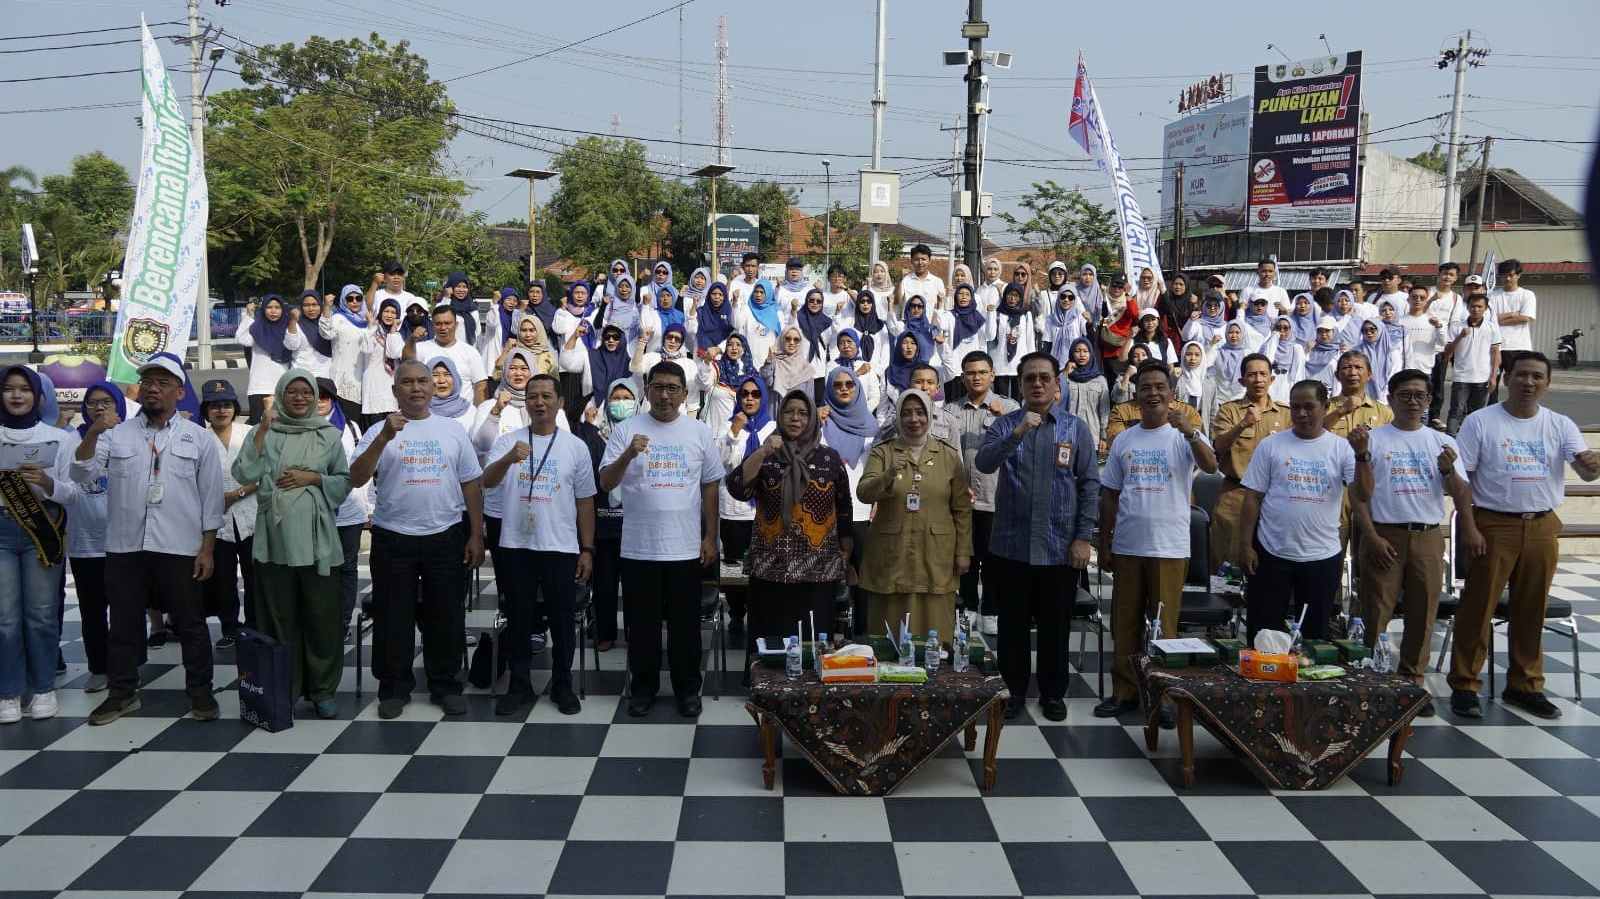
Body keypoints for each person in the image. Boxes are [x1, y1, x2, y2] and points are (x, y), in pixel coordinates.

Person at [73, 353, 224, 726]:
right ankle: (122, 693)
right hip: (125, 547)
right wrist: (93, 431)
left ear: (179, 391)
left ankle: (201, 692)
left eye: (162, 382)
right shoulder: (115, 434)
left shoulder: (199, 438)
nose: (153, 388)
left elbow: (211, 499)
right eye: (148, 382)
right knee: (123, 624)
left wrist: (207, 548)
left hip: (179, 546)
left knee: (190, 623)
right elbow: (82, 473)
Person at [1448, 353, 1600, 719]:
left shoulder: (1560, 424)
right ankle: (1466, 684)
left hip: (1542, 526)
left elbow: (1586, 473)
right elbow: (1461, 480)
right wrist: (1468, 526)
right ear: (1505, 378)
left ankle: (1525, 685)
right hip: (1493, 525)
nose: (1528, 383)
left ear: (1547, 384)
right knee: (1477, 607)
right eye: (1521, 375)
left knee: (1532, 608)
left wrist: (1590, 464)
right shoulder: (1481, 422)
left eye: (1536, 377)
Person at [351, 359, 486, 719]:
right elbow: (356, 477)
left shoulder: (452, 430)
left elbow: (471, 482)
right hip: (393, 537)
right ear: (395, 391)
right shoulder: (379, 429)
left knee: (447, 614)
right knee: (392, 615)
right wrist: (382, 438)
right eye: (407, 382)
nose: (416, 388)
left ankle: (446, 684)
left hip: (446, 535)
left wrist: (476, 533)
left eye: (422, 381)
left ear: (433, 387)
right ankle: (394, 687)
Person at [975, 352, 1098, 721]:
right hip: (1011, 547)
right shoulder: (1004, 424)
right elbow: (983, 464)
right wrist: (1019, 432)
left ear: (1057, 385)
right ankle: (1013, 691)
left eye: (1045, 377)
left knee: (1054, 626)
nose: (1038, 384)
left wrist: (1083, 538)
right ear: (1021, 385)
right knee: (1012, 626)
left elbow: (1090, 484)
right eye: (1030, 378)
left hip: (1059, 547)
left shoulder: (1075, 429)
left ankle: (1052, 693)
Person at [599, 361, 723, 718]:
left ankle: (687, 690)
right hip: (639, 548)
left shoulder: (699, 432)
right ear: (647, 391)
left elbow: (711, 485)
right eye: (658, 387)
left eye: (672, 388)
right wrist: (629, 454)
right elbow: (606, 483)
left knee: (685, 626)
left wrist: (710, 536)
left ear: (684, 394)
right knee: (642, 626)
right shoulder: (627, 430)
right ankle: (643, 689)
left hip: (685, 547)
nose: (665, 395)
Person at [1096, 360, 1218, 720]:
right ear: (1136, 394)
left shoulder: (1184, 435)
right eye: (1145, 387)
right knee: (1125, 622)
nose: (1152, 393)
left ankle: (1162, 695)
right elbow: (1110, 495)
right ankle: (1125, 691)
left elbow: (1211, 467)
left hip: (1170, 545)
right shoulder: (1125, 440)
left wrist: (1191, 433)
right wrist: (1104, 542)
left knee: (1163, 624)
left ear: (1172, 393)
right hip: (1130, 544)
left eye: (1159, 387)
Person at [1351, 368, 1478, 704]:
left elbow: (1460, 494)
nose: (1412, 401)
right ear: (1390, 398)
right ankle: (1372, 678)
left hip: (1427, 536)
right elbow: (1358, 497)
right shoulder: (1372, 438)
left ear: (1429, 400)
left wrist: (1448, 469)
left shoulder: (1443, 442)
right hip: (1384, 535)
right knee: (1375, 609)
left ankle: (1412, 681)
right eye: (1404, 394)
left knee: (1424, 612)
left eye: (1419, 395)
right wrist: (1371, 537)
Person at [232, 369, 351, 719]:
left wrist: (313, 478)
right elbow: (244, 473)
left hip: (318, 542)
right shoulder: (263, 432)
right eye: (292, 392)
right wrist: (264, 430)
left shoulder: (328, 435)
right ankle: (286, 685)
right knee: (278, 618)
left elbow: (343, 483)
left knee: (322, 618)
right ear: (281, 396)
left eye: (305, 392)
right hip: (275, 540)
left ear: (315, 397)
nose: (299, 398)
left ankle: (322, 689)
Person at [482, 373, 596, 716]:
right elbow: (486, 481)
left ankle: (562, 684)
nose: (540, 402)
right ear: (525, 401)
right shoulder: (507, 442)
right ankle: (519, 685)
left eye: (547, 396)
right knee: (518, 617)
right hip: (516, 545)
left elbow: (586, 502)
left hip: (560, 546)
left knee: (562, 620)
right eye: (533, 396)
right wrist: (507, 460)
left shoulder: (575, 446)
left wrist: (587, 549)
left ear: (560, 402)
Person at [725, 388, 854, 655]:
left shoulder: (829, 459)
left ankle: (809, 696)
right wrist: (762, 452)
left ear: (812, 420)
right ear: (780, 416)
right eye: (789, 412)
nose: (796, 418)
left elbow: (843, 508)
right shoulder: (767, 454)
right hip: (770, 568)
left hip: (818, 570)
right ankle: (765, 694)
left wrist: (845, 550)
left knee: (812, 642)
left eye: (803, 413)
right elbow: (737, 487)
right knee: (769, 641)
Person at [1240, 379, 1357, 640]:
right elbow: (1252, 499)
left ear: (1325, 407)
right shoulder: (1271, 446)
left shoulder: (1341, 449)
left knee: (1314, 638)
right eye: (1295, 407)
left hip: (1322, 556)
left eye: (1309, 407)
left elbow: (1363, 495)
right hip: (1271, 553)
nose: (1301, 414)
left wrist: (1363, 457)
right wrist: (1245, 544)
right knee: (1263, 635)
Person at [857, 389, 972, 645]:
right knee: (890, 627)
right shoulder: (883, 452)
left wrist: (964, 551)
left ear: (930, 415)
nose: (914, 419)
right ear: (898, 416)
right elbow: (864, 493)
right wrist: (887, 475)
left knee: (934, 618)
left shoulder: (949, 455)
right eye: (906, 413)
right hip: (891, 550)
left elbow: (962, 509)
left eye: (920, 412)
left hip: (936, 551)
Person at [0, 366, 78, 723]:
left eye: (24, 390)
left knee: (42, 615)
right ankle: (9, 692)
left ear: (38, 396)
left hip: (41, 532)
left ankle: (44, 687)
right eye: (9, 389)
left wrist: (47, 482)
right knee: (5, 619)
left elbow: (73, 492)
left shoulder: (59, 438)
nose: (17, 396)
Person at [946, 351, 1017, 637]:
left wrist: (1006, 420)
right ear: (962, 377)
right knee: (965, 557)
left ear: (992, 375)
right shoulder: (951, 411)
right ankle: (967, 608)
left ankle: (990, 608)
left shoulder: (1010, 407)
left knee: (992, 558)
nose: (976, 377)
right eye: (970, 373)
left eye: (981, 372)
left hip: (994, 496)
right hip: (960, 499)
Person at [65, 382, 124, 695]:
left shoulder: (129, 436)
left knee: (125, 609)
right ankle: (98, 668)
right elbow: (75, 476)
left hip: (122, 541)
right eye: (92, 403)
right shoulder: (72, 438)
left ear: (117, 405)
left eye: (106, 402)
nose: (99, 408)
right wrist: (93, 433)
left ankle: (127, 667)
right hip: (85, 543)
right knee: (92, 611)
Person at [1208, 354, 1291, 567]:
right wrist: (1243, 424)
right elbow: (1218, 447)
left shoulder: (1286, 414)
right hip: (1236, 494)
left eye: (1263, 374)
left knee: (1272, 562)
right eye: (1252, 375)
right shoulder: (1229, 410)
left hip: (1275, 497)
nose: (1258, 380)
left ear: (1272, 379)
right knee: (1229, 563)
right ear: (1242, 381)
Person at [577, 378, 636, 652]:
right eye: (616, 398)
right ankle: (604, 633)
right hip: (602, 520)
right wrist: (588, 428)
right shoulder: (592, 432)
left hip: (635, 523)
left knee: (638, 586)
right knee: (604, 583)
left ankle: (638, 632)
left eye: (627, 398)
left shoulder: (642, 433)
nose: (620, 403)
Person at [199, 379, 257, 647]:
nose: (220, 411)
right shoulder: (199, 438)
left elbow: (266, 473)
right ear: (206, 410)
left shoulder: (251, 434)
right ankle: (230, 628)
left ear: (235, 407)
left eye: (225, 405)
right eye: (214, 406)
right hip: (216, 523)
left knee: (255, 576)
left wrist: (236, 494)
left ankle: (256, 625)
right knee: (223, 580)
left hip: (252, 518)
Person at [717, 374, 774, 633]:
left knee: (762, 567)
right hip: (733, 511)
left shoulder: (772, 428)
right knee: (734, 569)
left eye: (755, 394)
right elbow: (722, 464)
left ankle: (760, 612)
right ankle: (736, 614)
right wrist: (734, 432)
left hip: (763, 511)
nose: (749, 398)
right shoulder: (727, 428)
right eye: (745, 394)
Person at [316, 378, 371, 643]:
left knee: (347, 568)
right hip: (313, 511)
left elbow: (363, 468)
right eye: (315, 395)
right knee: (318, 568)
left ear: (333, 400)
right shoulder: (296, 428)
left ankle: (342, 620)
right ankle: (320, 619)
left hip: (348, 510)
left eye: (324, 397)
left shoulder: (351, 428)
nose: (319, 401)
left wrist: (368, 506)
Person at [1442, 290, 1502, 434]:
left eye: (1480, 307)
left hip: (1482, 377)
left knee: (1477, 414)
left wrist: (1493, 377)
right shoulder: (1457, 326)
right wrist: (1460, 337)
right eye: (1473, 306)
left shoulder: (1492, 327)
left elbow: (1495, 353)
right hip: (1461, 377)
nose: (1476, 309)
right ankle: (1450, 439)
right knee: (1456, 410)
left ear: (1486, 309)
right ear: (1467, 307)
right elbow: (1447, 353)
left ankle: (1472, 440)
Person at [236, 294, 299, 422]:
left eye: (277, 307)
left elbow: (293, 344)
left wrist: (293, 321)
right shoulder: (257, 327)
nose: (273, 311)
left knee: (282, 428)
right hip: (258, 387)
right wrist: (248, 316)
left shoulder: (288, 327)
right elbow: (242, 339)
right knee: (258, 429)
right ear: (263, 309)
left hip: (282, 387)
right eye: (269, 307)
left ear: (283, 309)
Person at [412, 305, 489, 404]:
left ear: (456, 325)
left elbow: (480, 386)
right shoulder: (420, 349)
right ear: (432, 325)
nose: (443, 328)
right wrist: (412, 340)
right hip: (429, 414)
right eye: (438, 324)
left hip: (463, 417)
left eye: (447, 323)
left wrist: (478, 414)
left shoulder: (470, 352)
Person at [554, 281, 603, 423]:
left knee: (585, 402)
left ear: (588, 295)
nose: (580, 296)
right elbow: (558, 328)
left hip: (588, 363)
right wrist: (563, 309)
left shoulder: (593, 313)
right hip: (568, 365)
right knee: (569, 404)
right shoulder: (563, 312)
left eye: (583, 293)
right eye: (577, 293)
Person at [1426, 262, 1467, 426]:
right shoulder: (1428, 292)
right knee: (1422, 380)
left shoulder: (1457, 298)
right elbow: (1418, 310)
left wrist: (1449, 346)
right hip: (1422, 343)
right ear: (1439, 274)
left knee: (1438, 383)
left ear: (1456, 278)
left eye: (1451, 275)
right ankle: (1419, 414)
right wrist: (1430, 300)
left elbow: (1455, 323)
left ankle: (1434, 416)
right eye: (1444, 273)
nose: (1447, 277)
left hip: (1441, 346)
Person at [322, 284, 369, 427]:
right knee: (345, 424)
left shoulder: (367, 321)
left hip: (364, 380)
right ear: (343, 300)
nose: (354, 302)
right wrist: (327, 308)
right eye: (349, 298)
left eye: (358, 298)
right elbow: (326, 333)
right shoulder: (337, 318)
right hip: (344, 380)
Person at [938, 283, 993, 403]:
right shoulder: (949, 315)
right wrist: (941, 304)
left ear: (972, 298)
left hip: (974, 371)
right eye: (960, 294)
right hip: (955, 370)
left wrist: (991, 314)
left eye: (967, 294)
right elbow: (938, 326)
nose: (963, 297)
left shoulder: (978, 317)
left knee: (975, 403)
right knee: (954, 406)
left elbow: (989, 336)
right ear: (955, 297)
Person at [1490, 259, 1535, 399]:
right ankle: (1491, 411)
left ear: (1518, 275)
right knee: (1492, 383)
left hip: (1518, 346)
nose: (1507, 278)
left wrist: (1499, 319)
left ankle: (1517, 409)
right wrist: (1512, 314)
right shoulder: (1493, 295)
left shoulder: (1527, 295)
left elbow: (1525, 318)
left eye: (1511, 274)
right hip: (1495, 345)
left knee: (1518, 382)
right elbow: (1489, 319)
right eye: (1504, 275)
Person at [357, 298, 404, 431]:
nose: (389, 315)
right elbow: (366, 349)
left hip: (390, 387)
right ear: (380, 312)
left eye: (393, 312)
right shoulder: (371, 331)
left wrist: (393, 331)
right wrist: (371, 327)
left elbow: (394, 353)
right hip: (373, 386)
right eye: (386, 311)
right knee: (374, 430)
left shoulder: (397, 335)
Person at [1060, 337, 1110, 455]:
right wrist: (1065, 374)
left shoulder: (1100, 380)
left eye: (1085, 351)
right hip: (1066, 435)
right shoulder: (1064, 377)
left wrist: (1103, 436)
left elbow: (1104, 411)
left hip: (1092, 436)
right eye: (1077, 351)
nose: (1081, 355)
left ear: (1091, 354)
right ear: (1072, 354)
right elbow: (1056, 401)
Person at [990, 284, 1037, 398]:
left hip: (1019, 364)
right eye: (1010, 295)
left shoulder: (1026, 315)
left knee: (1018, 401)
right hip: (1000, 364)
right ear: (1005, 296)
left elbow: (1030, 341)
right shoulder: (997, 313)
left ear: (1020, 298)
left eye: (1016, 296)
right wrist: (990, 314)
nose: (1012, 299)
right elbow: (990, 337)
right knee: (1001, 400)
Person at [1258, 316, 1308, 404]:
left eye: (1286, 328)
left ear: (1291, 329)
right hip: (1270, 385)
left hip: (1287, 385)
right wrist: (1274, 339)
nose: (1282, 331)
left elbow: (1299, 374)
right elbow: (1265, 363)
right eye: (1278, 328)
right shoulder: (1268, 346)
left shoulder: (1297, 348)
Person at [292, 290, 335, 379]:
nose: (311, 309)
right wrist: (292, 321)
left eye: (314, 304)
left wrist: (327, 307)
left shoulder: (330, 321)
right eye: (306, 305)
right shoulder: (295, 324)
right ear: (301, 307)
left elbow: (328, 334)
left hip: (324, 376)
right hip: (301, 376)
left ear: (320, 305)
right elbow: (291, 345)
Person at [899, 244, 946, 310]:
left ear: (929, 261)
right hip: (909, 320)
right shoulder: (905, 281)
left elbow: (942, 306)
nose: (920, 263)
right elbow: (897, 303)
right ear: (911, 261)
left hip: (930, 320)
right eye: (917, 259)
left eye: (923, 259)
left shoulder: (937, 282)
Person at [443, 271, 478, 346]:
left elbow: (478, 333)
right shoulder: (446, 304)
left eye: (464, 287)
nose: (461, 290)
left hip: (469, 351)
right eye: (458, 286)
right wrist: (447, 297)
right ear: (451, 287)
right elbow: (441, 317)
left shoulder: (472, 308)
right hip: (450, 350)